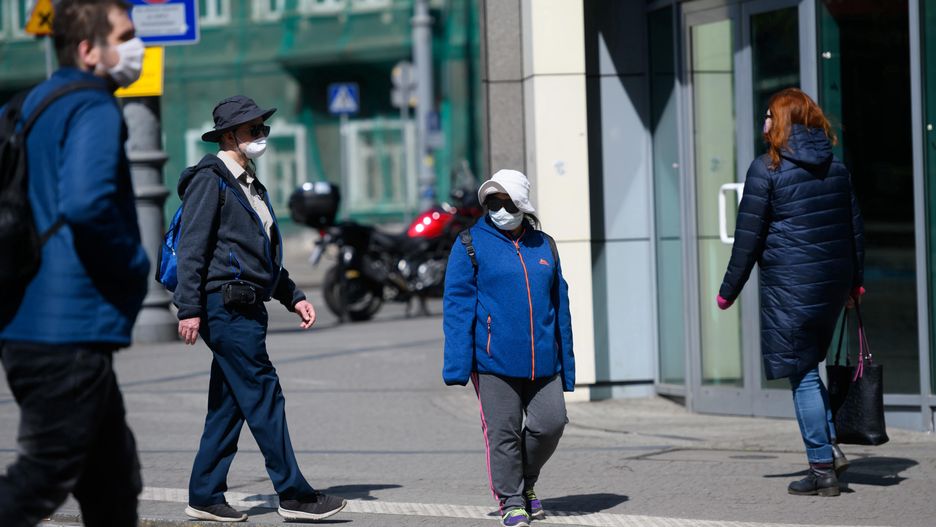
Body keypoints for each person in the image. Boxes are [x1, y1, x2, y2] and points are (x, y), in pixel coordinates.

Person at [0, 1, 149, 525]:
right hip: (67, 331)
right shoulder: (93, 107)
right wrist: (134, 260)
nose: (138, 46)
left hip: (26, 320)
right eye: (126, 35)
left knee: (113, 479)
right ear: (89, 50)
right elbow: (86, 204)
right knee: (42, 476)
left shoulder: (26, 104)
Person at [174, 95, 345, 522]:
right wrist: (189, 306)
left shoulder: (248, 185)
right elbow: (193, 248)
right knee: (265, 394)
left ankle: (204, 494)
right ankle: (294, 494)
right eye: (253, 130)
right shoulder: (209, 180)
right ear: (229, 136)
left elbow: (261, 256)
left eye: (263, 129)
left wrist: (294, 295)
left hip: (247, 304)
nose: (261, 136)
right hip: (224, 305)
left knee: (230, 402)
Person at [716, 88, 863, 497]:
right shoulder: (837, 168)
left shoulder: (767, 168)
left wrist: (728, 291)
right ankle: (830, 450)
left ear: (782, 122)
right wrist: (856, 283)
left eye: (768, 116)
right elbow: (854, 230)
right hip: (831, 286)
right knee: (809, 364)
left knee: (801, 375)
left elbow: (748, 238)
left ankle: (821, 468)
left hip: (791, 290)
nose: (763, 123)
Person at [443, 169, 574, 527]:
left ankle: (526, 483)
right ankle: (512, 499)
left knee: (551, 423)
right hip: (492, 361)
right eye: (491, 203)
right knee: (502, 432)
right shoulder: (469, 243)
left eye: (506, 202)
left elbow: (560, 308)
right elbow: (457, 307)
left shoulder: (544, 245)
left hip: (544, 361)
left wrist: (568, 365)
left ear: (522, 204)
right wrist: (457, 365)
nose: (499, 209)